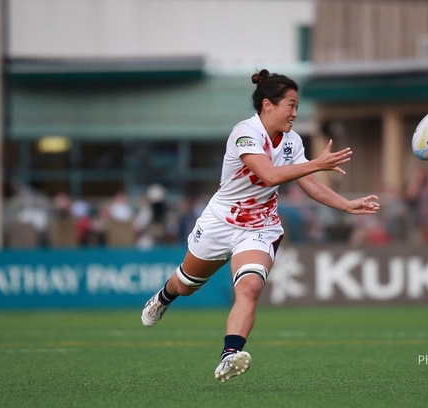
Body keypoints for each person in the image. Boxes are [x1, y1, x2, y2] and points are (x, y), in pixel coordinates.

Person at [140, 69, 380, 382]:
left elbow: (309, 183)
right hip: (220, 221)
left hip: (260, 226)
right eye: (290, 105)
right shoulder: (245, 133)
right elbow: (269, 175)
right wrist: (317, 163)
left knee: (249, 288)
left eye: (297, 106)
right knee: (185, 285)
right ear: (268, 105)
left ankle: (229, 356)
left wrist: (346, 204)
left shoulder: (292, 142)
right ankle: (163, 297)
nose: (295, 113)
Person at [404, 165, 428, 244]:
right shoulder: (417, 186)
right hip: (421, 214)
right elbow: (409, 196)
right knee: (425, 238)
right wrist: (414, 182)